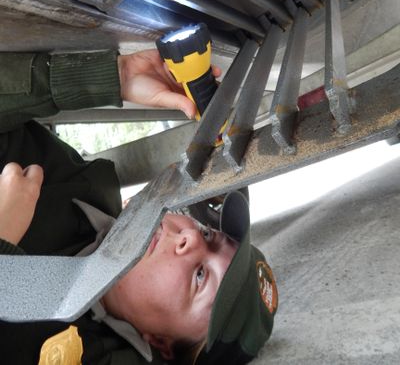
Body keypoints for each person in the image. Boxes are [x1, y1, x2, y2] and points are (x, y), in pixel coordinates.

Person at [0, 49, 278, 364]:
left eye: (200, 276)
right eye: (209, 234)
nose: (192, 238)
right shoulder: (79, 188)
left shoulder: (75, 352)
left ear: (160, 343)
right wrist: (113, 77)